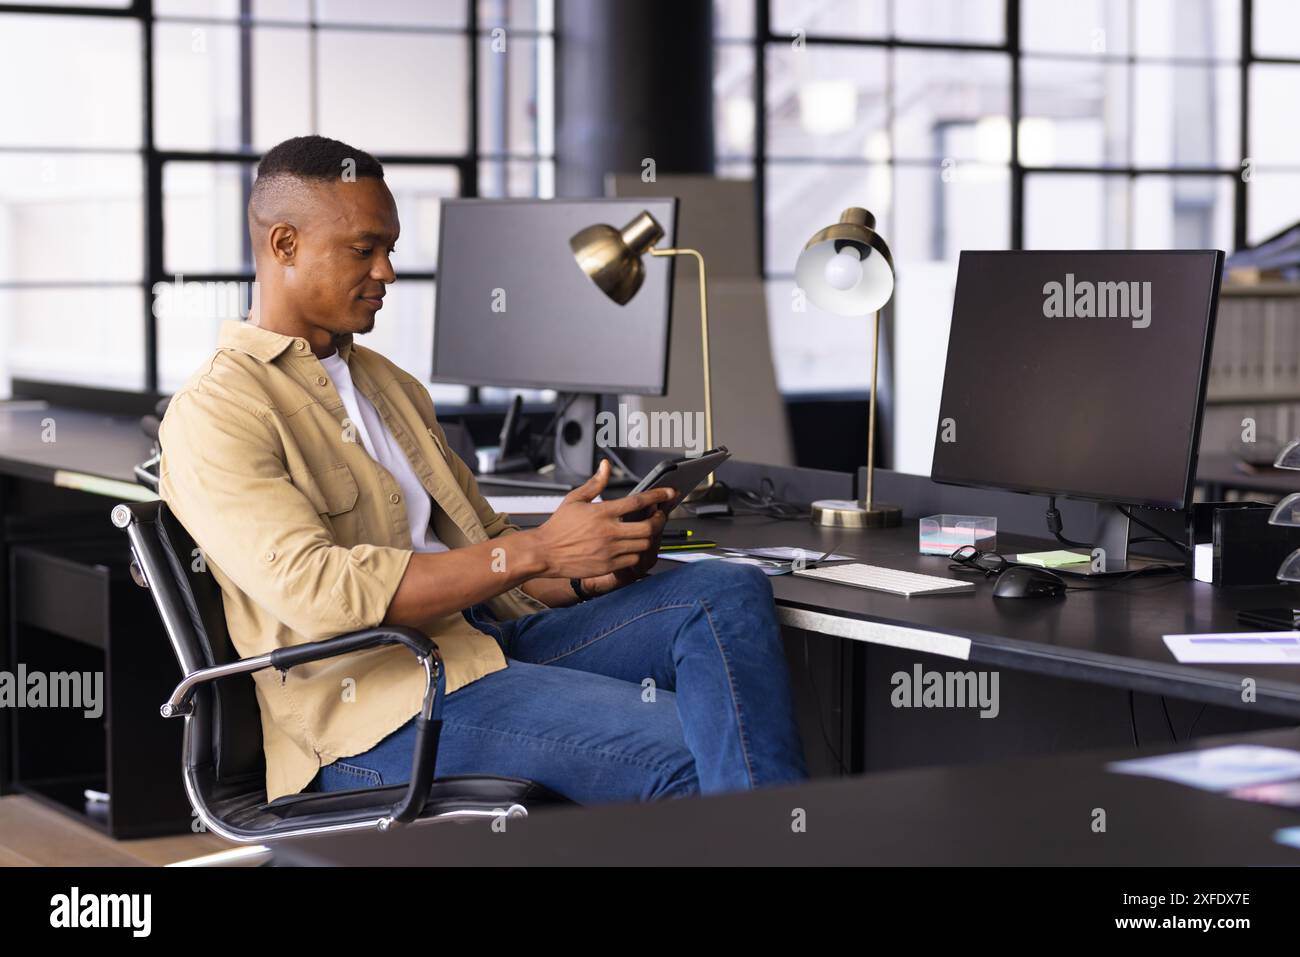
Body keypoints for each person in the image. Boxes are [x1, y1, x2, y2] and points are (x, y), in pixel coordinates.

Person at [159, 134, 808, 804]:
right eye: (364, 249)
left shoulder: (391, 385)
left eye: (391, 248)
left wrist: (582, 565)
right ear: (284, 244)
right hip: (379, 715)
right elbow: (321, 594)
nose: (386, 271)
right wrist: (534, 550)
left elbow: (494, 563)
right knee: (690, 750)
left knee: (724, 593)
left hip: (488, 646)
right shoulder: (217, 409)